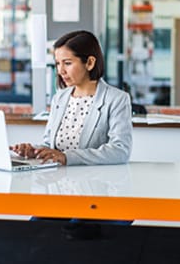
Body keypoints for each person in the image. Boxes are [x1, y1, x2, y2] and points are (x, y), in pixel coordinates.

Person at [10, 30, 133, 239]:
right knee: (31, 232)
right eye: (58, 64)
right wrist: (34, 150)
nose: (61, 71)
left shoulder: (117, 99)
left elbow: (120, 151)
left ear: (90, 62)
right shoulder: (61, 98)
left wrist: (68, 157)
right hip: (58, 191)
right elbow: (50, 143)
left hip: (95, 193)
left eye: (67, 63)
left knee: (72, 234)